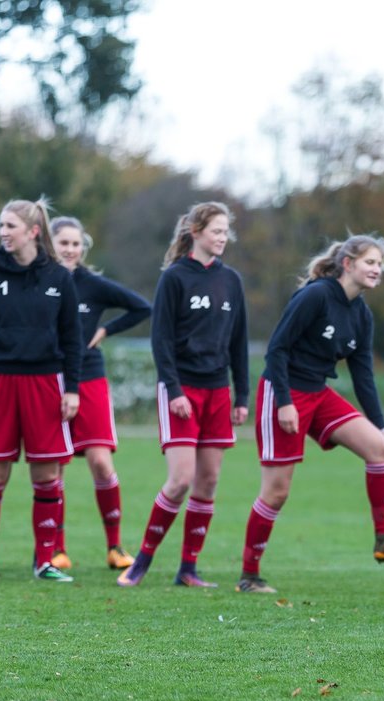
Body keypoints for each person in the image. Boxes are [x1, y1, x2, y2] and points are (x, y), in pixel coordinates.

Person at [236, 235, 384, 594]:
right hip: (282, 391)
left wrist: (383, 427)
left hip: (318, 393)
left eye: (380, 264)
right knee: (276, 492)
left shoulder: (362, 314)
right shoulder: (316, 295)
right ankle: (249, 575)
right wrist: (284, 402)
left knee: (382, 451)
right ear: (348, 263)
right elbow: (276, 350)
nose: (377, 270)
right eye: (370, 262)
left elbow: (364, 376)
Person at [117, 201, 248, 589]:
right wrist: (173, 389)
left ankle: (188, 568)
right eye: (216, 231)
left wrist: (242, 395)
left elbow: (239, 341)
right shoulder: (174, 278)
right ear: (196, 232)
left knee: (208, 482)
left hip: (217, 392)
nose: (222, 238)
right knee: (181, 479)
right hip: (182, 390)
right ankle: (141, 560)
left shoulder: (232, 281)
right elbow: (161, 342)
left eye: (226, 232)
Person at [0, 199, 83, 582]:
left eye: (10, 226)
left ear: (33, 231)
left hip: (46, 384)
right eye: (1, 225)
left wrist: (72, 388)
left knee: (46, 475)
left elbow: (72, 338)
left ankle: (45, 562)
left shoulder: (59, 277)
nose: (3, 232)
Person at [48, 215, 151, 573]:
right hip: (49, 380)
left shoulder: (92, 285)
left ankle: (115, 547)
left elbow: (142, 307)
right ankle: (54, 549)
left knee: (102, 464)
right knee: (54, 468)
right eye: (64, 243)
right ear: (50, 244)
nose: (71, 250)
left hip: (90, 379)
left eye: (76, 244)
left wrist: (106, 329)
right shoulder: (40, 282)